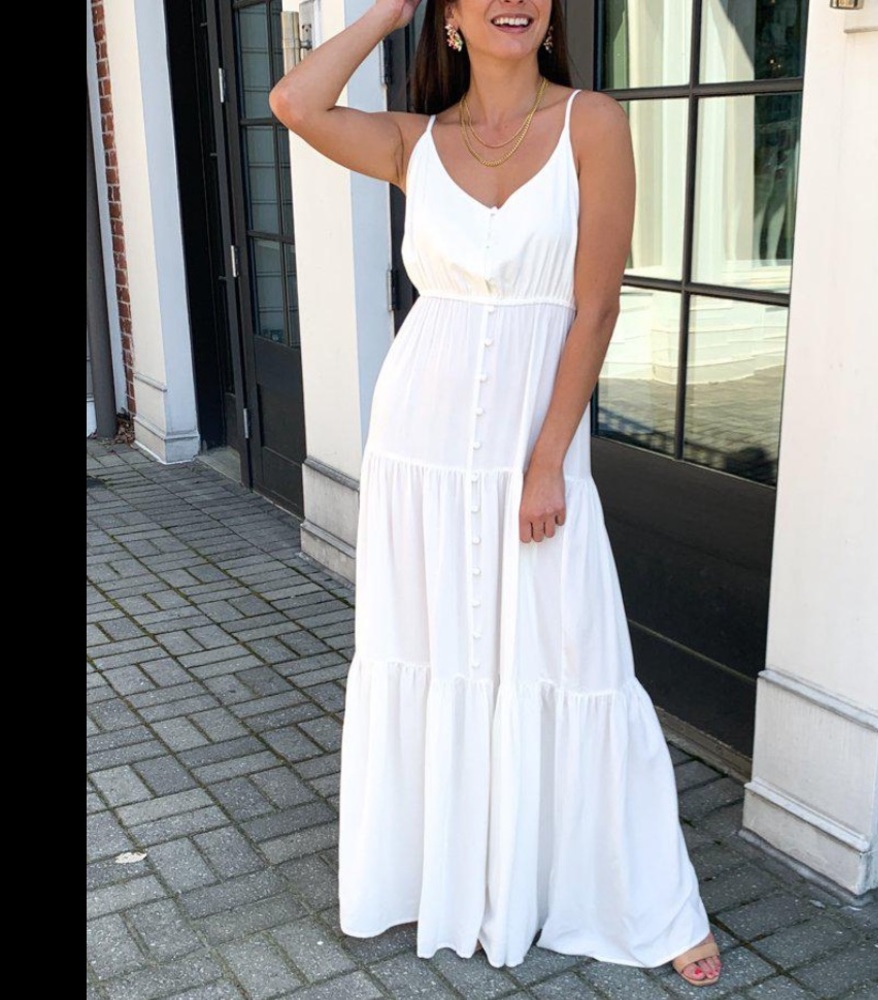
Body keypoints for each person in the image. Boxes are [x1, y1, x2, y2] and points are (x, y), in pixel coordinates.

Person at [269, 0, 723, 985]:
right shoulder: (413, 141)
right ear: (455, 19)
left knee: (571, 648)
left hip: (533, 435)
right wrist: (384, 12)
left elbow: (596, 304)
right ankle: (450, 872)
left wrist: (549, 457)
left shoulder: (593, 123)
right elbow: (295, 102)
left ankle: (645, 895)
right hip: (419, 443)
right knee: (434, 647)